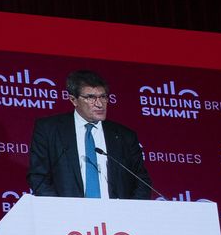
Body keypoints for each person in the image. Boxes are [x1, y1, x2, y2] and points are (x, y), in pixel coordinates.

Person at [27, 70, 153, 200]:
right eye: (91, 98)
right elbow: (38, 176)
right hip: (67, 216)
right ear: (73, 100)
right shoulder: (49, 129)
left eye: (103, 97)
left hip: (116, 216)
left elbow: (141, 182)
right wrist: (61, 211)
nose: (99, 104)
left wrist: (128, 212)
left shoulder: (125, 136)